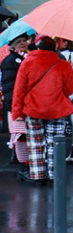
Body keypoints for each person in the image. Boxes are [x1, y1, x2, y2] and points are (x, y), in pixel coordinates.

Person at [12, 35, 73, 185]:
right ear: (54, 48)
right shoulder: (63, 65)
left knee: (35, 144)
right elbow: (69, 90)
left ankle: (38, 175)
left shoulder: (28, 62)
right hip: (57, 109)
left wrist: (17, 112)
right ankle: (54, 175)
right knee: (54, 144)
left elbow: (19, 90)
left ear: (38, 47)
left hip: (33, 109)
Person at [3, 34, 30, 169]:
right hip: (16, 103)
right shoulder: (10, 60)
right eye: (19, 41)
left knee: (25, 135)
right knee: (20, 136)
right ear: (13, 46)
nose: (23, 43)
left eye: (25, 41)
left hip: (27, 103)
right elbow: (9, 85)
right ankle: (22, 163)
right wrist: (14, 102)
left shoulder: (27, 57)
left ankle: (25, 162)